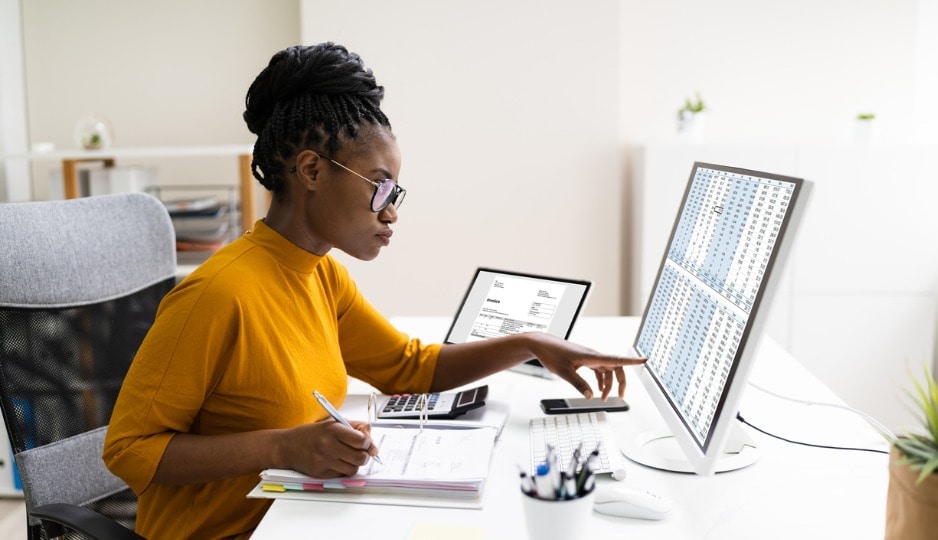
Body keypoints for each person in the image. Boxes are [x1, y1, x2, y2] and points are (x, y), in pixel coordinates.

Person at [103, 42, 645, 539]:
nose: (391, 211)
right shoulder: (217, 296)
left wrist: (530, 343)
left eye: (396, 191)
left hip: (300, 519)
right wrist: (284, 447)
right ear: (312, 170)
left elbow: (410, 369)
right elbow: (129, 451)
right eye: (380, 186)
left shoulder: (322, 275)